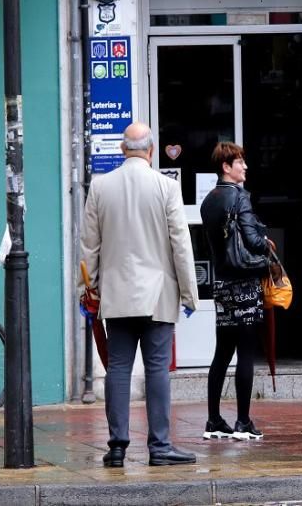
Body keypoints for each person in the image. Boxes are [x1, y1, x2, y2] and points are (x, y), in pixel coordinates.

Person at [80, 122, 199, 468]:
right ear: (150, 150)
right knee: (157, 369)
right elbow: (181, 244)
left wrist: (85, 290)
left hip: (115, 294)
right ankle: (160, 446)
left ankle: (117, 446)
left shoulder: (100, 187)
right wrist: (190, 294)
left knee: (118, 368)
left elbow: (89, 246)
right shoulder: (166, 186)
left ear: (122, 150)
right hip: (158, 294)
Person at [199, 142, 272, 441]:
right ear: (225, 167)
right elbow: (253, 241)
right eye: (239, 162)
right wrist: (265, 239)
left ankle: (214, 420)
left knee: (221, 353)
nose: (245, 167)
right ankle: (243, 422)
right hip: (243, 283)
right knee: (245, 352)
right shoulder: (240, 198)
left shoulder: (208, 201)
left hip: (222, 283)